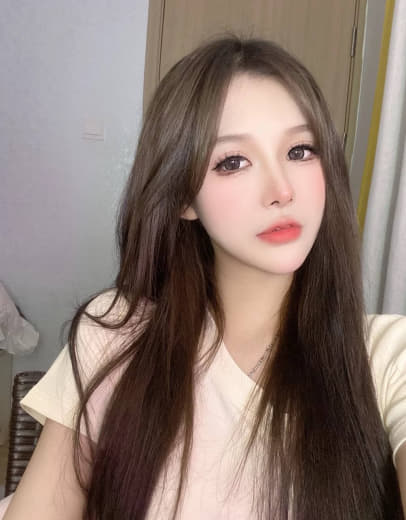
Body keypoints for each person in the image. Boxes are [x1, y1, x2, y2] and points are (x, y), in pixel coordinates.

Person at [1, 36, 406, 519]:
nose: (281, 190)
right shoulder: (116, 336)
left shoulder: (385, 358)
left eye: (300, 150)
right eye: (233, 162)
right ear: (183, 197)